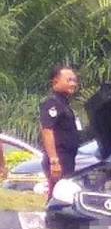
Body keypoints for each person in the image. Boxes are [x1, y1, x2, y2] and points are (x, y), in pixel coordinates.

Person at [39, 65, 80, 200]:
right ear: (56, 81)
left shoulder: (64, 105)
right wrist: (54, 161)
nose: (73, 84)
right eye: (69, 80)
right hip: (58, 159)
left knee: (61, 196)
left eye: (74, 80)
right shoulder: (53, 103)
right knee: (57, 198)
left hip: (67, 159)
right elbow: (47, 131)